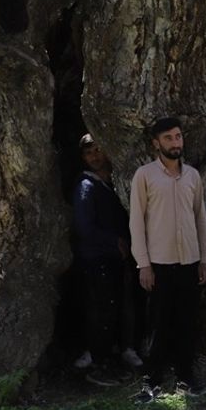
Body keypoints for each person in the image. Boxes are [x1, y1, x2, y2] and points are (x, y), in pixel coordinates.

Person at [129, 116, 206, 400]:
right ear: (156, 143)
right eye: (168, 138)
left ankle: (186, 377)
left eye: (178, 137)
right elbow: (136, 222)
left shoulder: (192, 176)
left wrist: (203, 258)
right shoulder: (145, 176)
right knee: (160, 323)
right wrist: (144, 264)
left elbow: (200, 217)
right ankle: (152, 379)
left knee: (187, 322)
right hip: (159, 264)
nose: (175, 143)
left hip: (189, 262)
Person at [71, 133, 140, 385]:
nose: (95, 156)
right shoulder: (86, 187)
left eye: (99, 150)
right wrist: (114, 241)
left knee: (122, 304)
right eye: (89, 153)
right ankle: (99, 360)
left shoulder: (114, 183)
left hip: (118, 257)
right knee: (101, 308)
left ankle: (124, 349)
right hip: (97, 257)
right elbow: (83, 225)